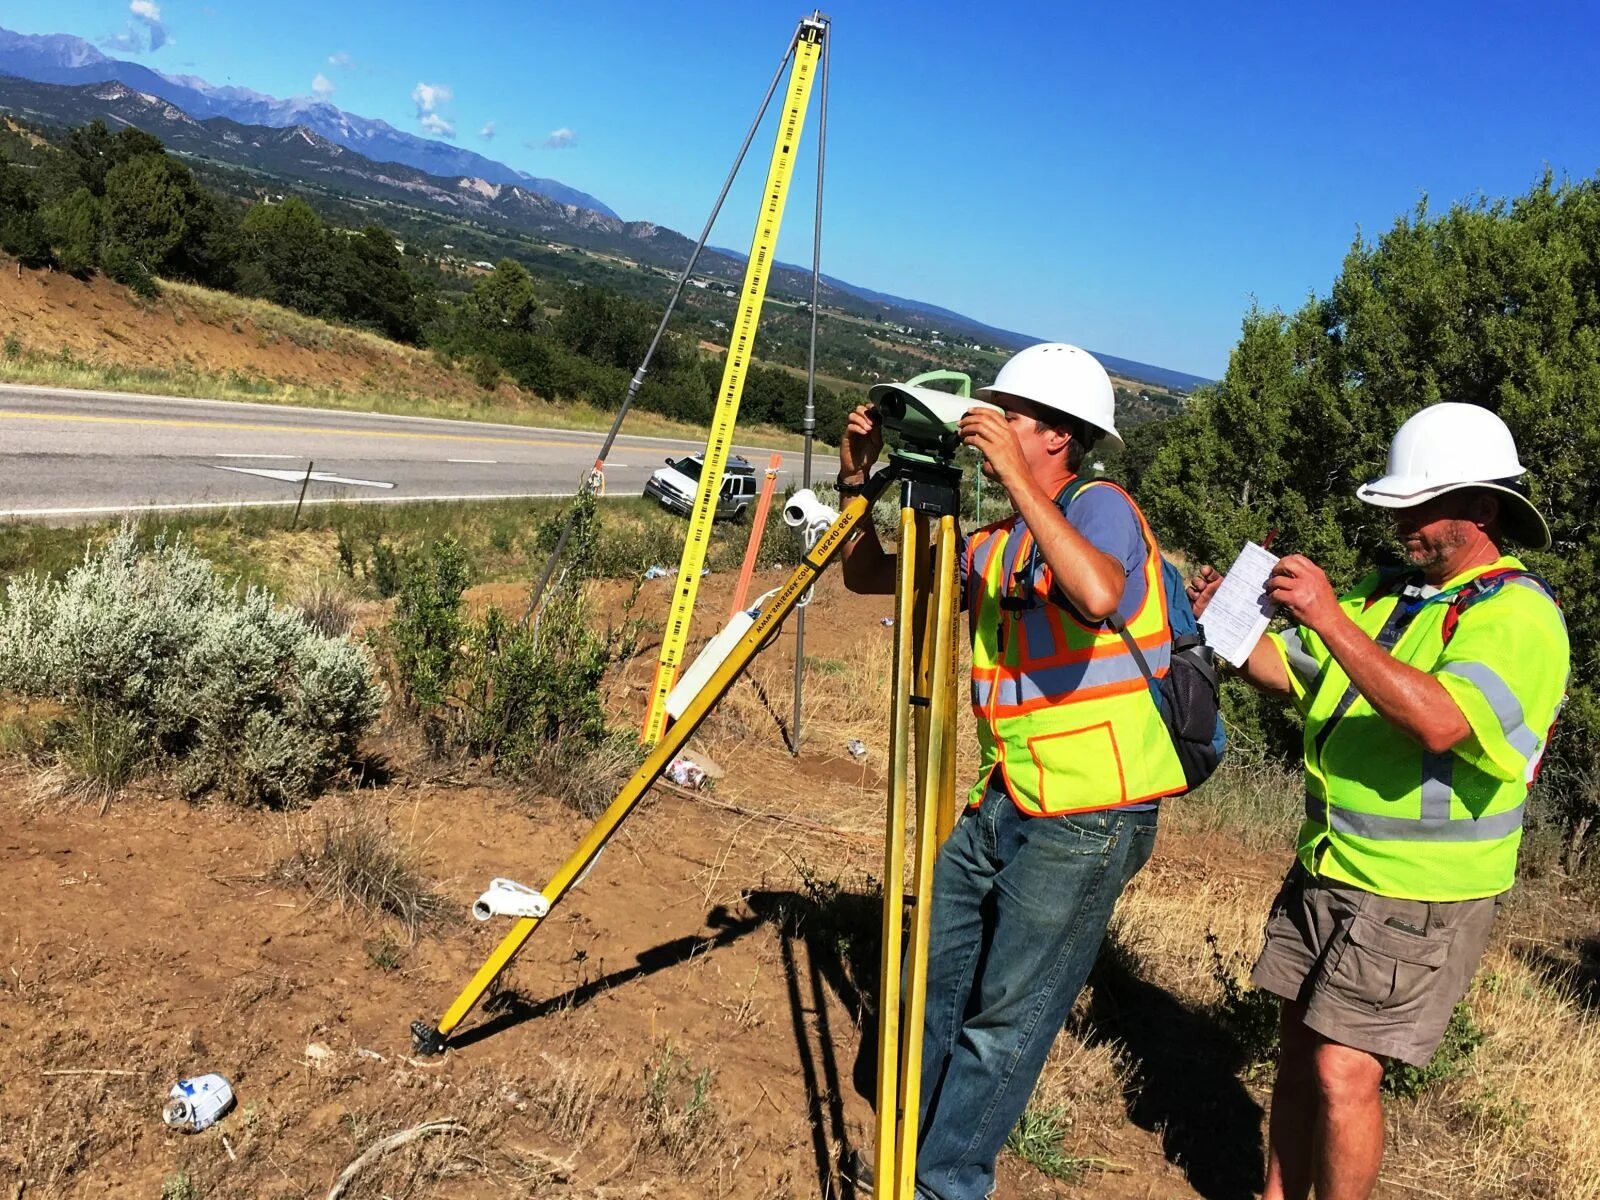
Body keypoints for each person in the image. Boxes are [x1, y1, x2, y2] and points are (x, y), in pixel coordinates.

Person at [1187, 401, 1570, 1200]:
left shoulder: (1520, 617)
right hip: (1330, 862)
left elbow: (1440, 719)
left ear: (1482, 510)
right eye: (1398, 507)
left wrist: (1327, 616)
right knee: (1299, 1052)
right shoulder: (1390, 594)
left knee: (1342, 1071)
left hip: (1416, 892)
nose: (1403, 526)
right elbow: (1306, 678)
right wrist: (1228, 625)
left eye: (1420, 508)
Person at [839, 343, 1187, 1200]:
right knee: (931, 974)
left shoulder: (1099, 507)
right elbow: (867, 576)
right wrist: (859, 480)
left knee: (1005, 1021)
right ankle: (901, 1141)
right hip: (1007, 796)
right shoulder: (998, 540)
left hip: (1092, 815)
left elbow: (1100, 593)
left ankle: (943, 1185)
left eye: (1012, 416)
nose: (991, 425)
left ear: (1060, 436)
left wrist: (1018, 486)